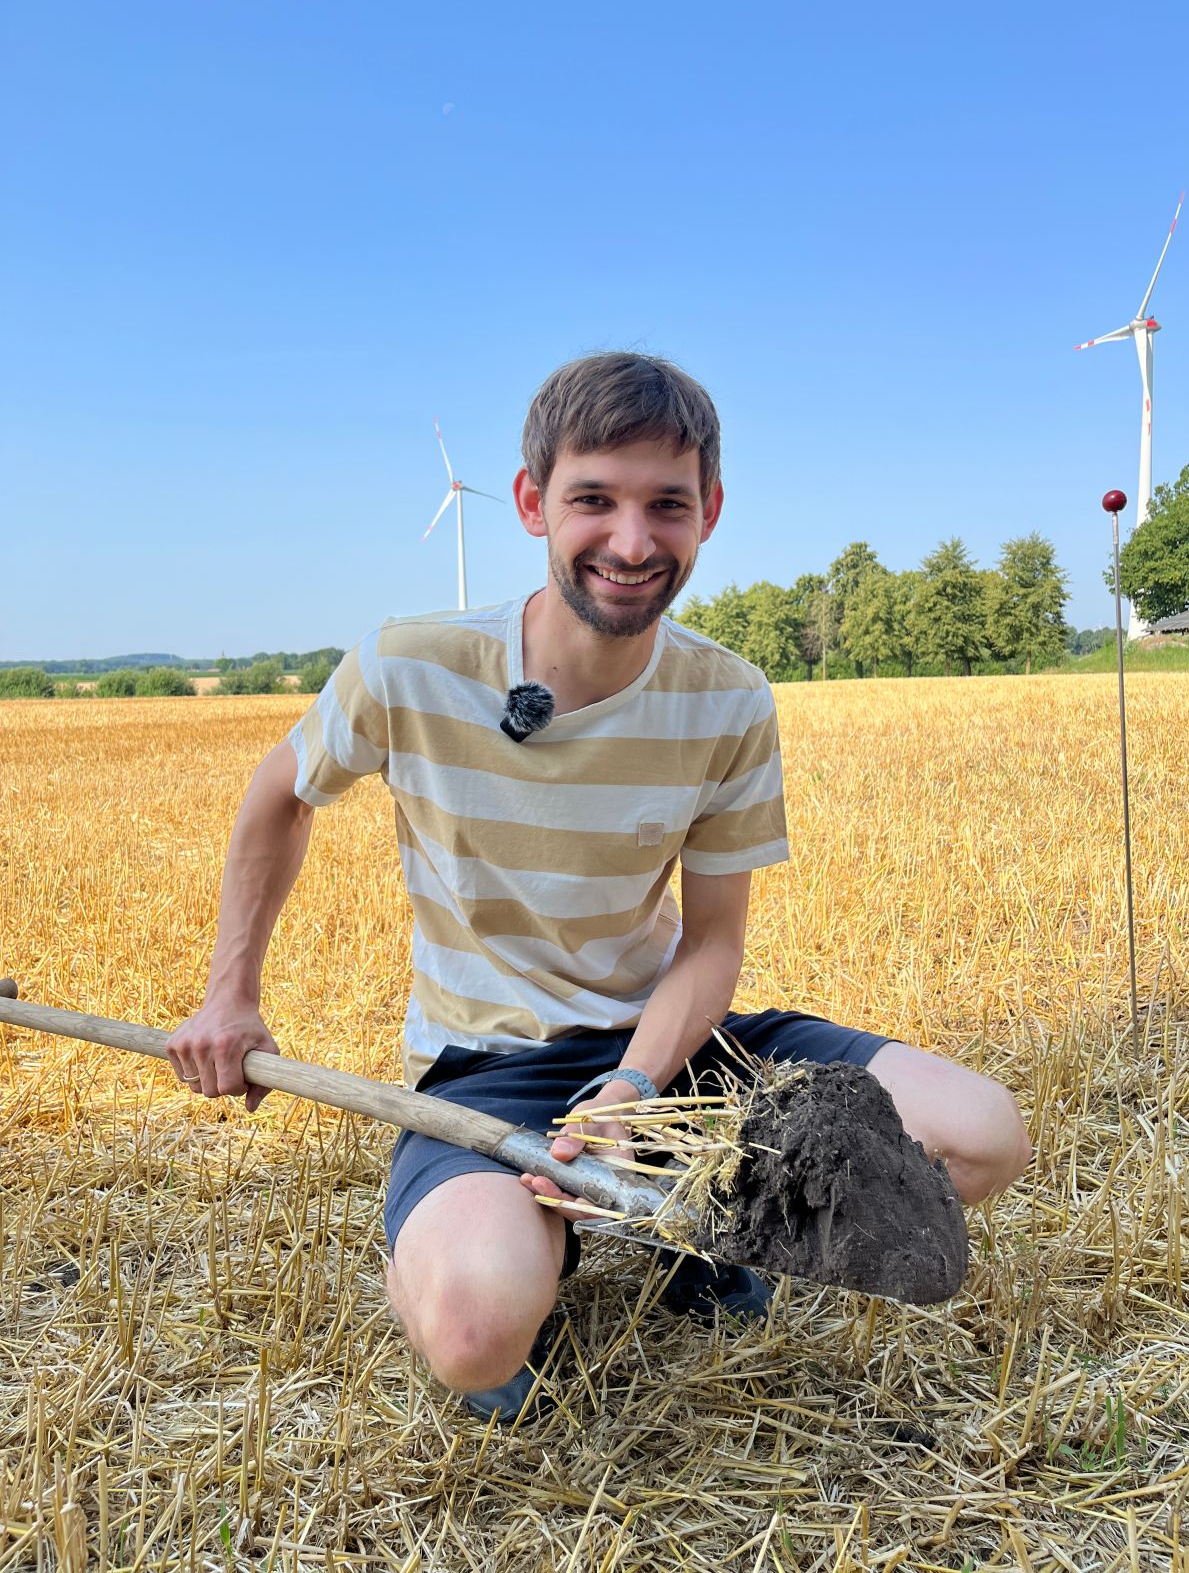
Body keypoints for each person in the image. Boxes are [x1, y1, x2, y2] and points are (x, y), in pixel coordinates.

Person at [167, 352, 1031, 1423]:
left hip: (674, 1054)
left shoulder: (727, 698)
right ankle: (509, 1229)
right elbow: (278, 798)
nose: (632, 541)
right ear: (532, 502)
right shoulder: (410, 664)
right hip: (490, 1068)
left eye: (667, 504)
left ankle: (687, 1216)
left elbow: (712, 940)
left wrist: (634, 1085)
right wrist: (229, 994)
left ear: (709, 512)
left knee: (979, 1136)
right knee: (476, 1334)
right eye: (594, 500)